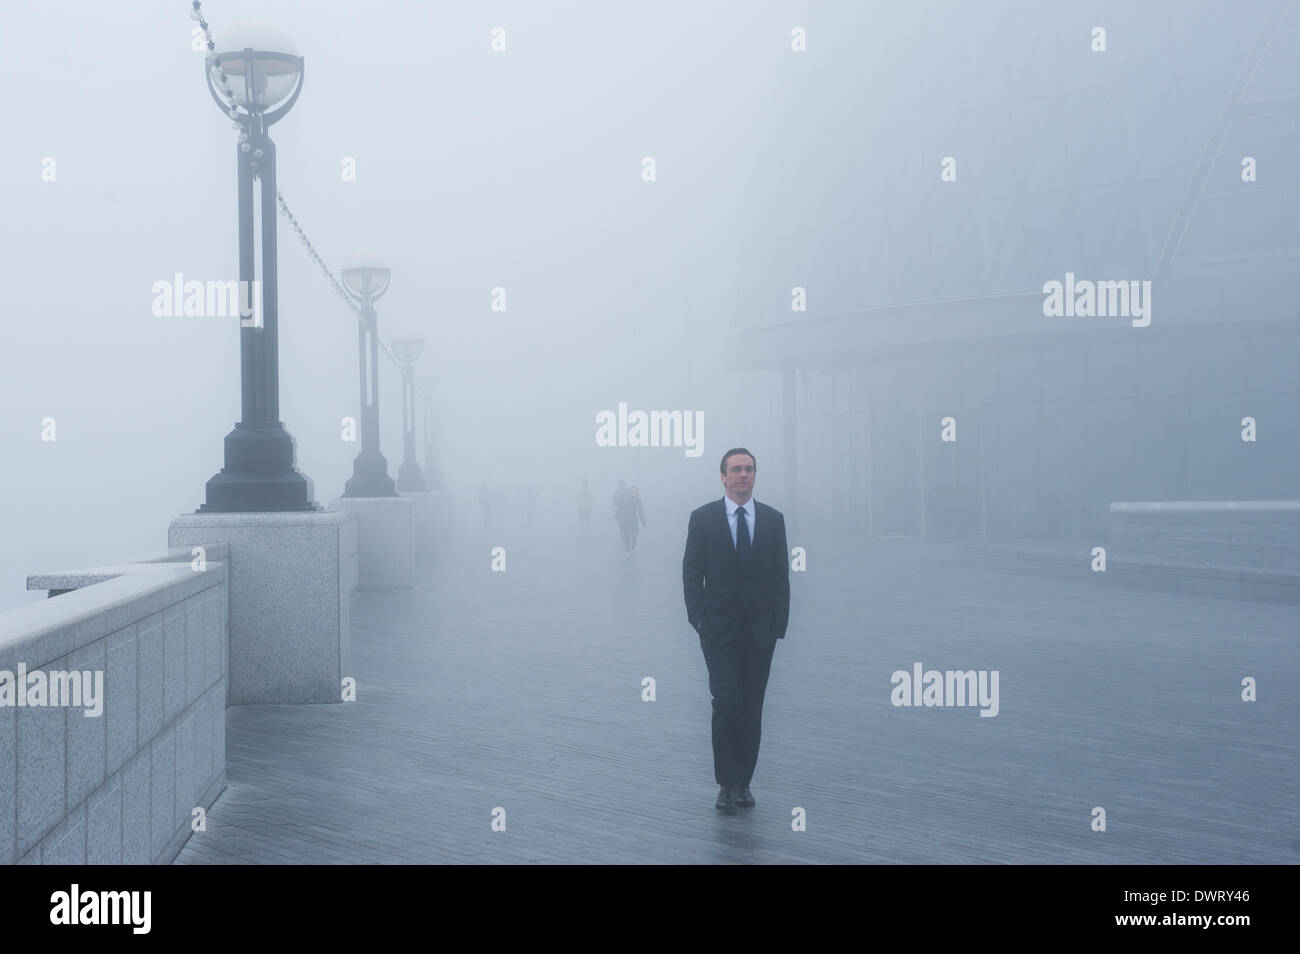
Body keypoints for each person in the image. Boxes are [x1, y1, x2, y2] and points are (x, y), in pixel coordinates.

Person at [681, 447, 790, 813]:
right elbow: (692, 572)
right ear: (723, 477)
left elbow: (780, 578)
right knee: (727, 700)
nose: (743, 474)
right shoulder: (704, 518)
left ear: (755, 475)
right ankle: (726, 783)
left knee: (752, 705)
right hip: (718, 631)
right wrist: (698, 618)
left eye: (749, 469)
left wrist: (778, 625)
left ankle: (744, 782)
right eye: (736, 469)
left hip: (760, 632)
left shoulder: (773, 520)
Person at [614, 485, 646, 557]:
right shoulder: (626, 499)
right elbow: (620, 508)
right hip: (625, 520)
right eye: (632, 491)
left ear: (637, 492)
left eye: (635, 491)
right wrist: (618, 518)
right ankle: (627, 551)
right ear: (630, 492)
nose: (634, 492)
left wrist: (643, 521)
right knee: (627, 536)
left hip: (634, 520)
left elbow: (641, 511)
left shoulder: (638, 501)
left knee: (634, 538)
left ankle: (632, 549)